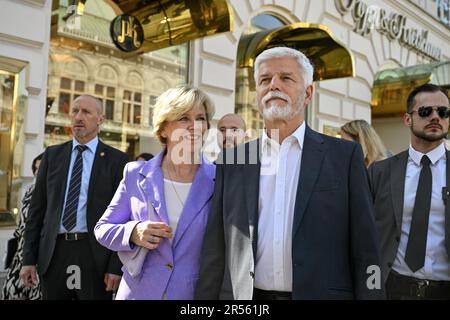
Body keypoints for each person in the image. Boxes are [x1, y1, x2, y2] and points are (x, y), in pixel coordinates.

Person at [195, 47, 384, 300]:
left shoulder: (344, 156)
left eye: (286, 78)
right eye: (264, 80)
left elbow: (366, 247)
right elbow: (216, 248)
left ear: (308, 93)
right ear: (257, 95)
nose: (273, 85)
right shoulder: (233, 160)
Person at [95, 85, 216, 300]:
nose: (195, 126)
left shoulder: (219, 180)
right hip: (139, 293)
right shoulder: (135, 174)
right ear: (163, 129)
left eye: (201, 118)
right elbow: (103, 229)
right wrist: (133, 232)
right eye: (184, 118)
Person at [20, 95, 129, 300]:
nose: (78, 117)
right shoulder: (52, 156)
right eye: (75, 111)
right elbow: (37, 211)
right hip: (54, 253)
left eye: (86, 112)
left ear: (100, 119)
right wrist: (28, 259)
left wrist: (116, 266)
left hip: (94, 253)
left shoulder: (117, 160)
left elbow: (124, 217)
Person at [368, 83, 450, 299]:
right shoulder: (380, 172)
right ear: (408, 119)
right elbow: (366, 237)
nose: (435, 117)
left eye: (443, 112)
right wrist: (371, 289)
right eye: (426, 111)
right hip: (393, 288)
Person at [2, 153, 43, 300]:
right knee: (11, 293)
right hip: (21, 254)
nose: (38, 172)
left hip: (40, 257)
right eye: (36, 168)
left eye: (42, 167)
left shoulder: (54, 193)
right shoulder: (30, 190)